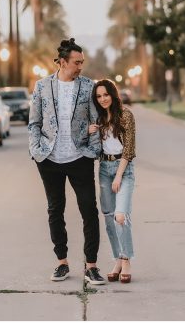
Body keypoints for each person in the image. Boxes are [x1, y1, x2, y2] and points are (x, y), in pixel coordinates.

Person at [28, 38, 105, 285]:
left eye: (82, 62)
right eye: (77, 62)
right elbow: (34, 123)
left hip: (79, 157)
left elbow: (96, 121)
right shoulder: (42, 87)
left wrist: (93, 151)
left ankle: (91, 265)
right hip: (49, 159)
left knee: (89, 210)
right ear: (62, 62)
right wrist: (36, 150)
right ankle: (61, 262)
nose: (81, 66)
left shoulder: (87, 86)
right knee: (55, 209)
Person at [89, 79, 137, 283]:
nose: (102, 99)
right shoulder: (99, 118)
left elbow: (129, 149)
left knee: (120, 216)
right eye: (99, 96)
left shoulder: (126, 115)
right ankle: (117, 259)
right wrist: (89, 131)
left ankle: (126, 259)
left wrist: (118, 176)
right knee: (108, 218)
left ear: (113, 94)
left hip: (123, 169)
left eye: (105, 94)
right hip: (104, 168)